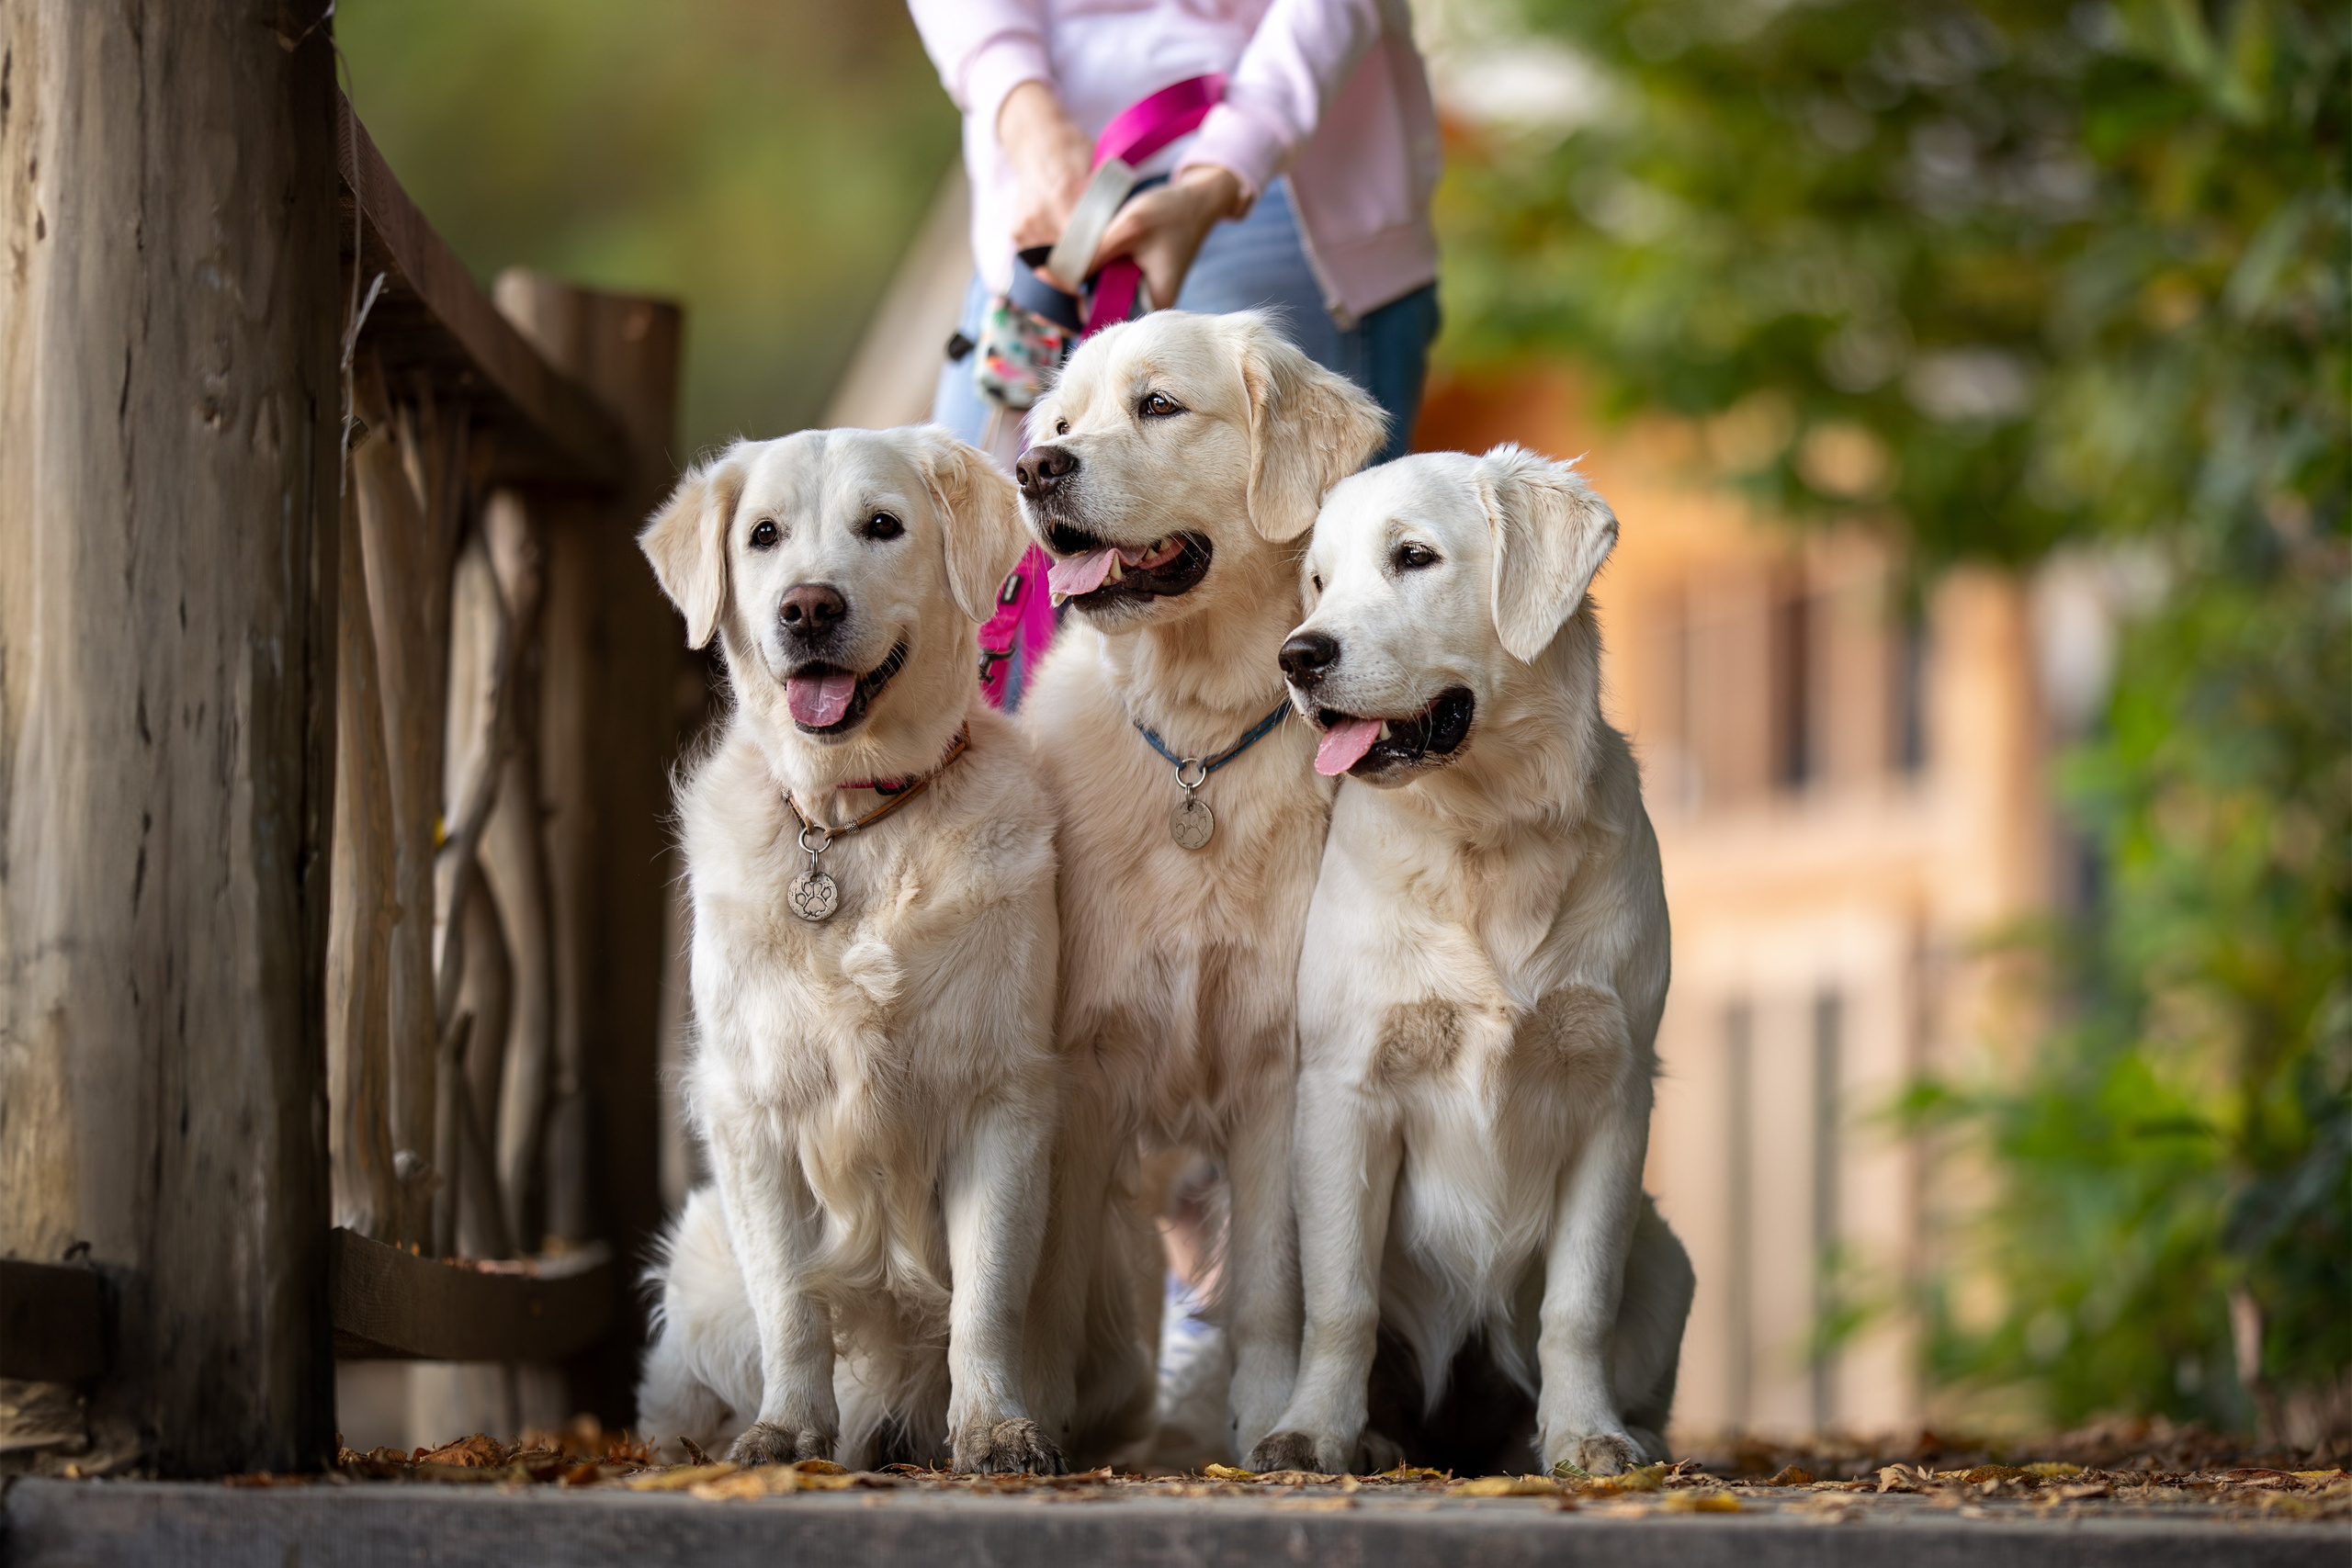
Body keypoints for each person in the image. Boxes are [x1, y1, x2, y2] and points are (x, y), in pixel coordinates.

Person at [910, 0, 1442, 467]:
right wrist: (1034, 133)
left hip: (1278, 186)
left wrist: (1220, 176)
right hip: (1042, 217)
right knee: (983, 526)